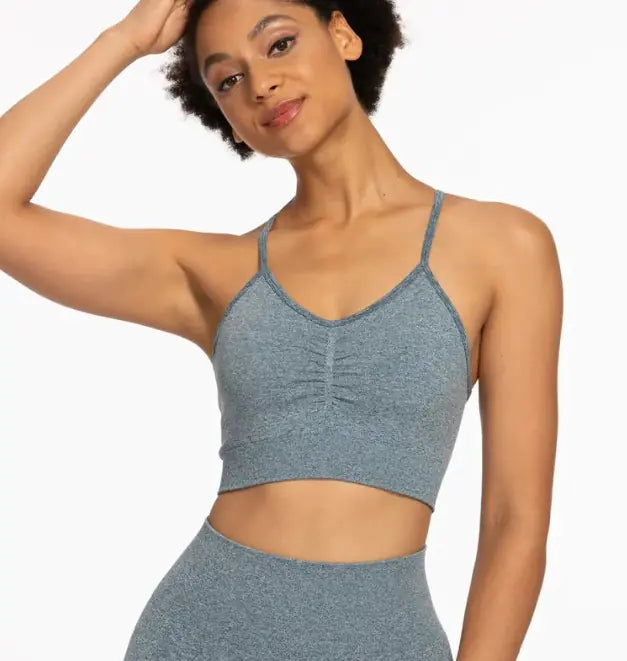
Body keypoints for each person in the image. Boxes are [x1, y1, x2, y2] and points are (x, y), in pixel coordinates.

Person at [0, 0, 562, 658]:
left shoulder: (503, 247)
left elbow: (514, 520)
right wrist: (122, 40)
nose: (260, 84)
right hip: (202, 632)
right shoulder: (219, 272)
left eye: (279, 44)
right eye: (228, 79)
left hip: (384, 640)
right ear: (229, 120)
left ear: (343, 35)